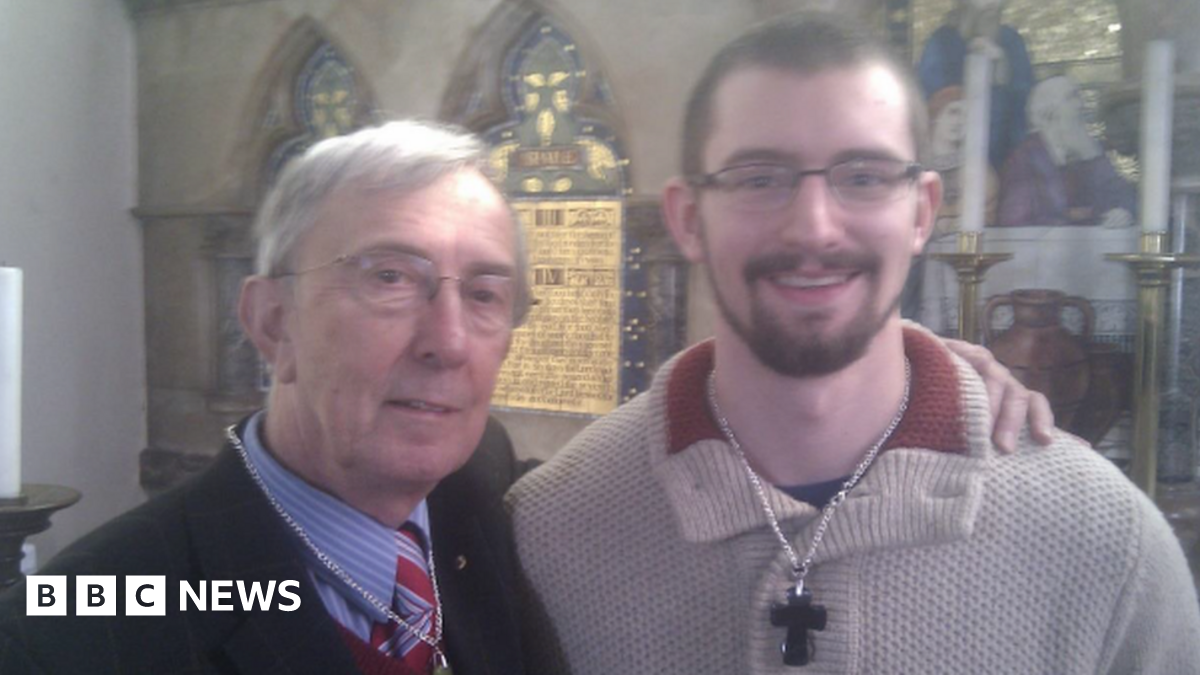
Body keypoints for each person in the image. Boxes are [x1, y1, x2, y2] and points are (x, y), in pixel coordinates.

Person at [507, 13, 1200, 674]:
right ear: (688, 219)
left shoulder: (1105, 540)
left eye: (864, 177)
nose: (814, 228)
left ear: (923, 211)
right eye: (758, 178)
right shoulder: (551, 529)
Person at [0, 120, 531, 674]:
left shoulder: (480, 484)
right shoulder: (64, 639)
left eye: (485, 294)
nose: (449, 343)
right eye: (390, 278)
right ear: (273, 322)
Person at [997, 75, 1136, 228]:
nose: (1081, 105)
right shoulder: (1023, 160)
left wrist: (1124, 212)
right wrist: (1082, 220)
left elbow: (1125, 196)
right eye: (1071, 98)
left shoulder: (1089, 150)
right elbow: (1015, 223)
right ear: (1048, 115)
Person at [917, 0, 1033, 170]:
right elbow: (934, 103)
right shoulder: (941, 41)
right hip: (956, 156)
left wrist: (1002, 70)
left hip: (1008, 156)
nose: (992, 5)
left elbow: (1027, 99)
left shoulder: (1011, 41)